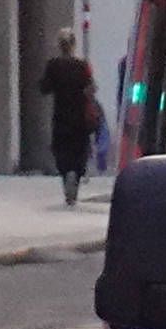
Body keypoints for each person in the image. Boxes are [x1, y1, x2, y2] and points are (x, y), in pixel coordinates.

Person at [38, 28, 100, 205]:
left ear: (60, 45)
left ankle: (66, 177)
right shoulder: (82, 65)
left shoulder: (53, 65)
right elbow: (92, 87)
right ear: (74, 44)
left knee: (61, 149)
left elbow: (44, 88)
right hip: (80, 116)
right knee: (79, 149)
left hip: (61, 114)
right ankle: (76, 178)